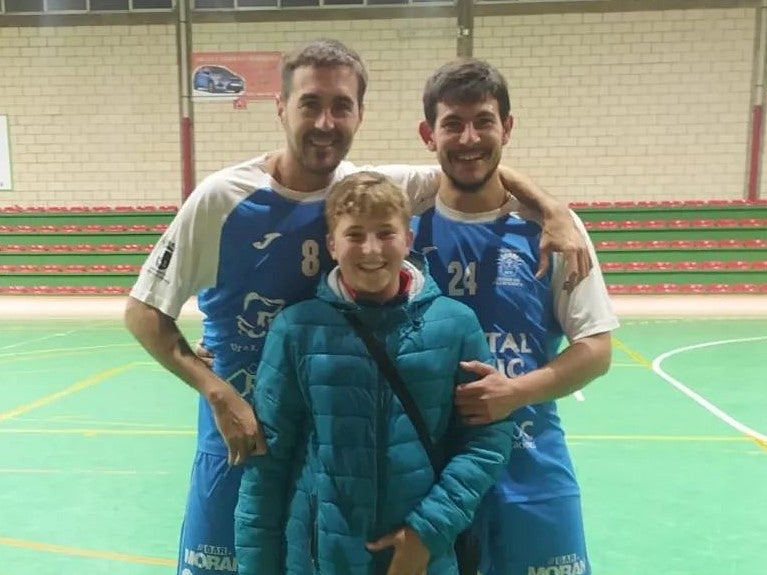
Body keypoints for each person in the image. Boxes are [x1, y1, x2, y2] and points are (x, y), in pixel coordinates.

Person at [124, 39, 587, 575]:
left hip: (323, 450)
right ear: (281, 107)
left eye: (341, 106)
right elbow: (143, 312)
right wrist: (216, 390)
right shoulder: (222, 198)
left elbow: (469, 161)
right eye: (310, 103)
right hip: (235, 441)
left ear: (360, 114)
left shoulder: (363, 189)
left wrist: (552, 208)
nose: (325, 122)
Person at [234, 171, 514, 575]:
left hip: (424, 559)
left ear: (408, 239)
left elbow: (486, 441)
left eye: (386, 233)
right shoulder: (296, 329)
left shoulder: (456, 325)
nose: (370, 249)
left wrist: (427, 531)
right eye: (354, 235)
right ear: (332, 245)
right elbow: (267, 465)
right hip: (320, 559)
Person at [412, 58, 620, 575]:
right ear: (428, 135)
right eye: (452, 124)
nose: (469, 138)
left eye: (483, 121)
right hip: (427, 481)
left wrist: (515, 392)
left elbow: (596, 349)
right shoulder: (401, 231)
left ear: (507, 127)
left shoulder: (553, 230)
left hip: (531, 472)